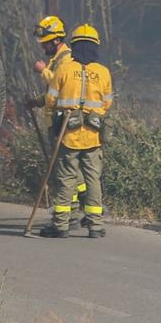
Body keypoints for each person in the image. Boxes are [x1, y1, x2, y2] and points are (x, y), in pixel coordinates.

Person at [39, 24, 113, 239]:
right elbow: (107, 104)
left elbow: (51, 99)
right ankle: (96, 226)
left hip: (67, 133)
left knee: (66, 178)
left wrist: (52, 119)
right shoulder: (103, 72)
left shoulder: (64, 69)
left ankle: (60, 225)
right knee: (93, 179)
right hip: (93, 134)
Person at [25, 14, 89, 225]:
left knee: (65, 168)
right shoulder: (57, 59)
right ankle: (79, 206)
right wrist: (36, 101)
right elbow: (52, 92)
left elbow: (62, 87)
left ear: (56, 40)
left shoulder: (67, 59)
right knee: (65, 167)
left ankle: (72, 210)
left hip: (64, 122)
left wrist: (44, 72)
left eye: (45, 43)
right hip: (55, 121)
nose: (43, 47)